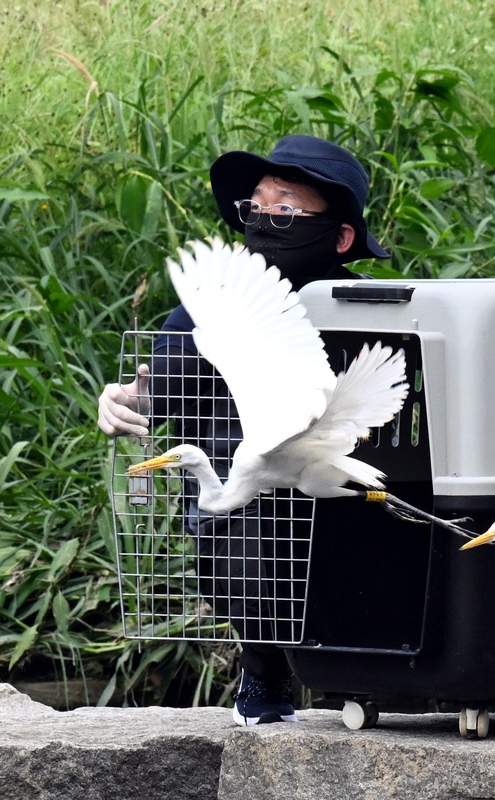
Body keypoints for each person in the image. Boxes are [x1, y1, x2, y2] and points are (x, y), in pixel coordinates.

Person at [97, 135, 391, 725]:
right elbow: (162, 391)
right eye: (255, 205)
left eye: (285, 207)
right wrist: (124, 399)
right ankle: (263, 670)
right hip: (251, 510)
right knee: (234, 470)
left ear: (340, 238)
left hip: (345, 500)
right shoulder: (214, 306)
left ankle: (377, 670)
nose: (263, 218)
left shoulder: (373, 309)